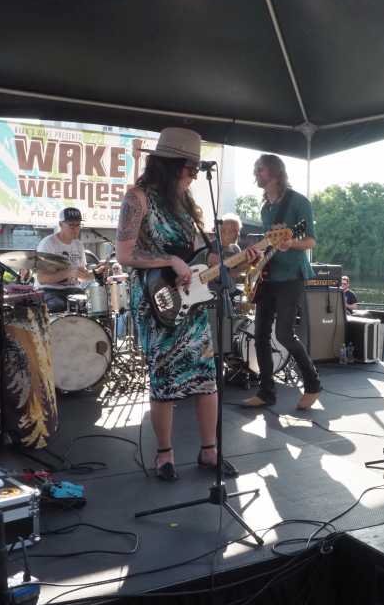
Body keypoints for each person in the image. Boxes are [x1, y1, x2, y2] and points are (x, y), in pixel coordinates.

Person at [116, 127, 245, 481]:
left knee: (206, 378)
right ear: (171, 164)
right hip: (156, 299)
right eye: (190, 169)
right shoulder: (137, 198)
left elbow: (199, 256)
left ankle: (209, 451)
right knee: (163, 380)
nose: (193, 176)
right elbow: (124, 253)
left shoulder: (186, 203)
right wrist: (169, 260)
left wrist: (230, 260)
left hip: (192, 299)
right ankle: (165, 455)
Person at [242, 154, 321, 411]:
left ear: (276, 172)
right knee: (260, 335)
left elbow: (311, 240)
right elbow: (269, 244)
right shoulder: (265, 208)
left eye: (261, 169)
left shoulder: (299, 202)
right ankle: (266, 392)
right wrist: (256, 256)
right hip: (268, 277)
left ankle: (313, 385)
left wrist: (291, 243)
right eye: (256, 169)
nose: (256, 173)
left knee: (284, 334)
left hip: (292, 276)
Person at [35, 207, 97, 312]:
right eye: (71, 225)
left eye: (78, 225)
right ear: (60, 224)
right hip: (49, 290)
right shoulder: (48, 243)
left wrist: (96, 273)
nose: (75, 229)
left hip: (73, 290)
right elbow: (42, 278)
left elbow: (82, 277)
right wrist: (68, 273)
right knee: (58, 305)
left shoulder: (78, 244)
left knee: (93, 306)